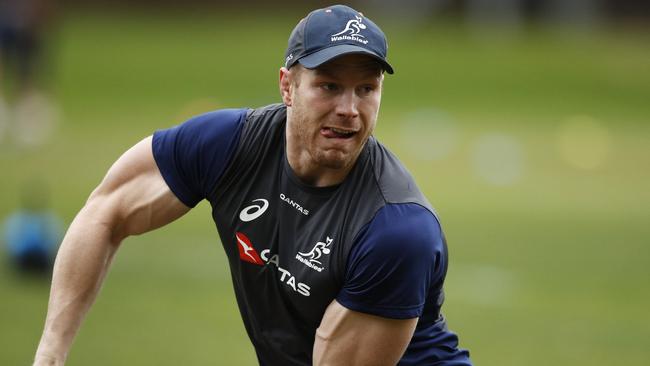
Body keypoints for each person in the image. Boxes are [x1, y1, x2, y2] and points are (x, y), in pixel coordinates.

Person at [33, 5, 471, 365]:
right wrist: (50, 356)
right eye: (329, 86)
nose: (349, 109)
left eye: (366, 89)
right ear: (287, 86)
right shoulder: (228, 146)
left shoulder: (395, 229)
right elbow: (105, 211)